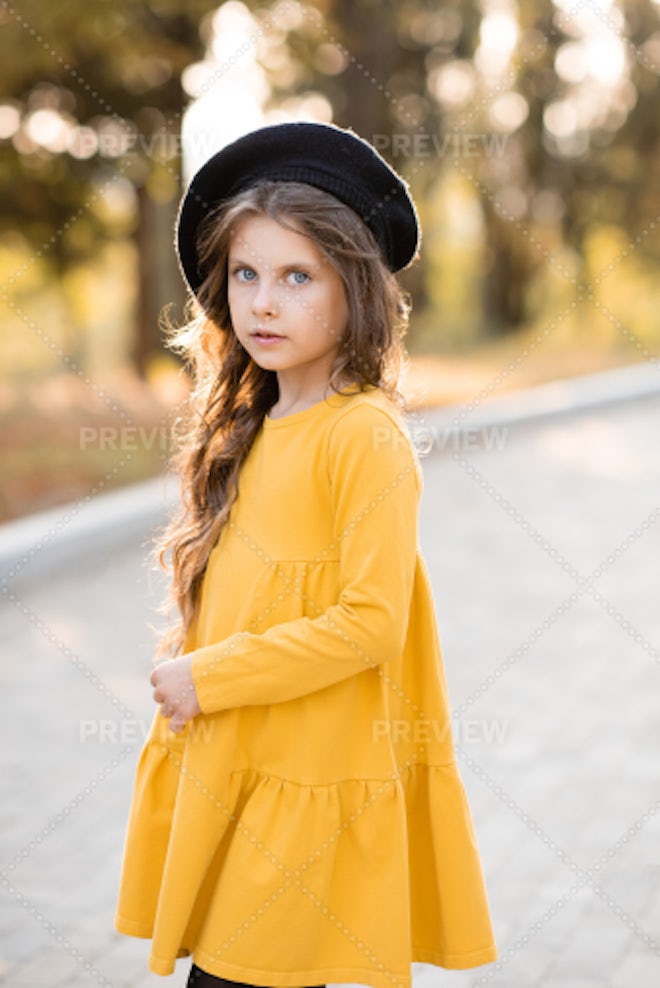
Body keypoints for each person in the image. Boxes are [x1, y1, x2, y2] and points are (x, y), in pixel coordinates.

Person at [114, 121, 497, 988]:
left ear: (353, 289)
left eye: (297, 277)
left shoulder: (362, 436)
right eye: (246, 275)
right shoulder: (255, 425)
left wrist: (212, 675)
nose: (263, 303)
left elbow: (369, 624)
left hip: (310, 783)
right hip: (245, 763)